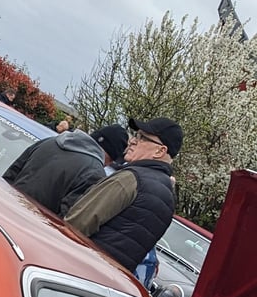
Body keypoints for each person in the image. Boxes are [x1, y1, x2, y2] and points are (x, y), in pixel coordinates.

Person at [65, 116, 183, 274]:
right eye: (135, 135)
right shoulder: (168, 197)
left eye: (142, 137)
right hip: (109, 278)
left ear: (160, 151)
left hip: (78, 265)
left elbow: (77, 223)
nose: (132, 141)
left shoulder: (131, 178)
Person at [1, 127, 107, 216]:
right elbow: (66, 217)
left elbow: (12, 173)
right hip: (31, 225)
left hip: (3, 208)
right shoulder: (95, 172)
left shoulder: (50, 141)